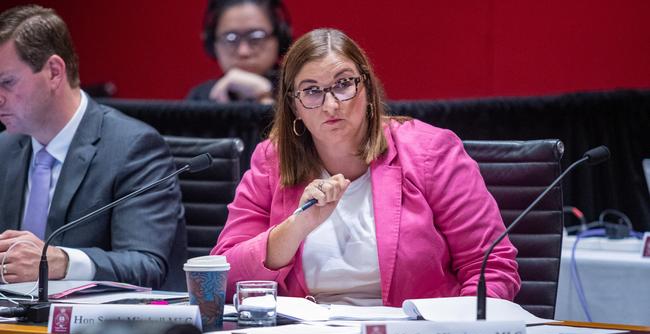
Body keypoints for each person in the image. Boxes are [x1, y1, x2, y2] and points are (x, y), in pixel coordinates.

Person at [212, 28, 521, 306]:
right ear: (294, 107)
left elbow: (492, 268)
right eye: (311, 91)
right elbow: (221, 278)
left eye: (344, 84)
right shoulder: (271, 162)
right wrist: (296, 228)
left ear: (368, 89)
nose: (331, 105)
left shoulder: (430, 152)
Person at [0, 5, 186, 290]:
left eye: (7, 82)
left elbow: (146, 265)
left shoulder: (133, 148)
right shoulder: (4, 148)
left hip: (97, 329)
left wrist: (62, 262)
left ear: (53, 72)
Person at [186, 0, 292, 104]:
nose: (243, 52)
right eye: (230, 39)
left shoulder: (299, 92)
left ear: (280, 39)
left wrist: (264, 98)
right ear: (213, 43)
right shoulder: (200, 98)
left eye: (256, 37)